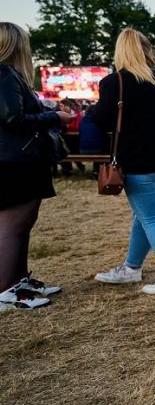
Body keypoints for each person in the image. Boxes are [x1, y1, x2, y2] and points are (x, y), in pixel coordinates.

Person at [93, 29, 155, 294]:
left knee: (152, 218)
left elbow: (100, 119)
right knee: (146, 216)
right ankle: (131, 268)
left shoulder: (114, 82)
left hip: (140, 163)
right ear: (146, 49)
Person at [0, 22, 73, 309]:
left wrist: (49, 112)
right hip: (14, 161)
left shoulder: (10, 75)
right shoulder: (5, 74)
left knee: (23, 224)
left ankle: (18, 281)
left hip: (18, 159)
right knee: (12, 226)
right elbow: (12, 120)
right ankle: (7, 290)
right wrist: (55, 118)